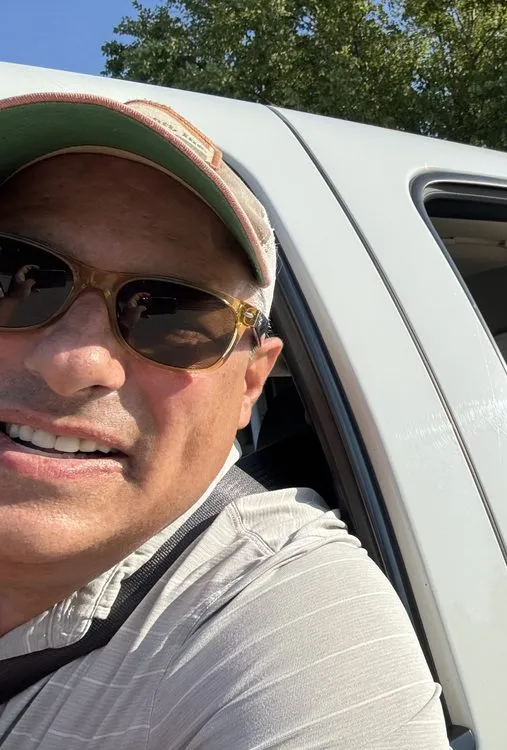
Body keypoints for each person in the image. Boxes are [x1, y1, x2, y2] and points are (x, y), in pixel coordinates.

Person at [0, 92, 451, 749]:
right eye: (15, 276)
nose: (74, 361)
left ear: (250, 382)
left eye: (175, 316)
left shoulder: (288, 619)